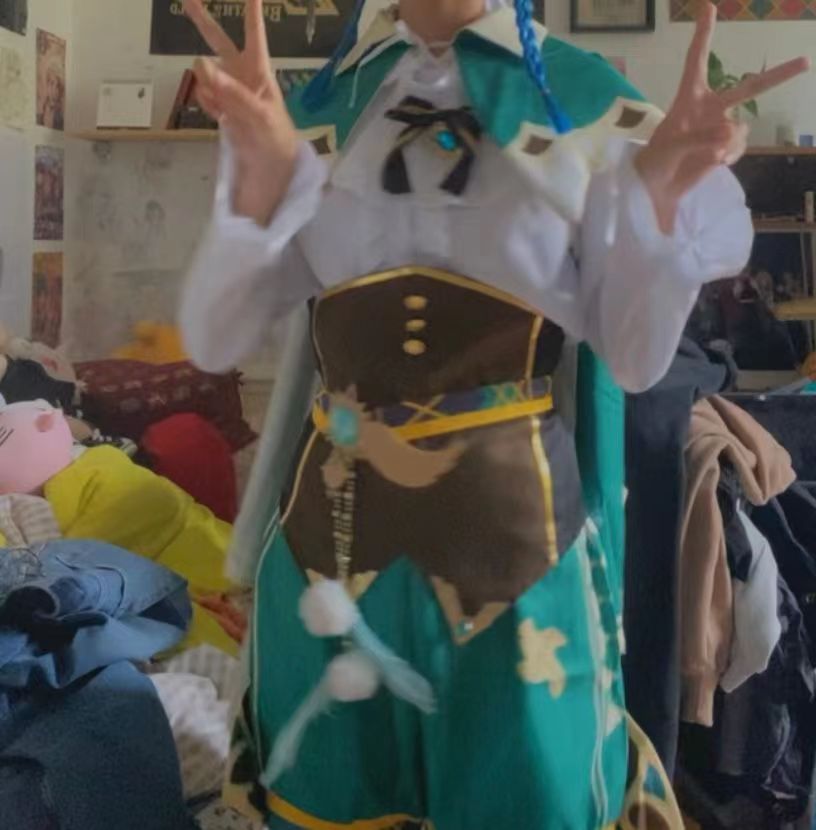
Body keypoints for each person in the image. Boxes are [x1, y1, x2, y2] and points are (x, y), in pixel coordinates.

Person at [179, 0, 808, 827]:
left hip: (518, 554)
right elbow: (215, 338)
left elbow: (633, 360)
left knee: (524, 800)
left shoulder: (585, 103)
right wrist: (258, 195)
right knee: (328, 804)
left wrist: (654, 197)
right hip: (326, 548)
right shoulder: (319, 110)